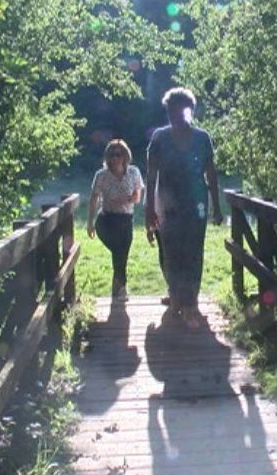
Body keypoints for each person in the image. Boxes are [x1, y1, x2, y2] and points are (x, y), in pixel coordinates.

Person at [145, 87, 223, 329]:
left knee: (193, 252)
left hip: (196, 205)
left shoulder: (202, 138)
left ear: (190, 111)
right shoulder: (159, 137)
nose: (175, 116)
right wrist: (149, 208)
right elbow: (151, 175)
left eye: (180, 111)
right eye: (171, 111)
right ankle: (176, 294)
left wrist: (217, 207)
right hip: (167, 205)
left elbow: (211, 174)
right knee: (170, 252)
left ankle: (191, 300)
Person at [87, 139, 144, 301]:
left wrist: (125, 200)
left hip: (126, 220)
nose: (115, 158)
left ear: (125, 156)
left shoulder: (134, 172)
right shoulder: (101, 175)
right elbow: (94, 198)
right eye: (111, 155)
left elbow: (137, 197)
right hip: (106, 220)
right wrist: (90, 223)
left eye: (118, 154)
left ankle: (118, 287)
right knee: (119, 252)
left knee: (121, 254)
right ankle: (122, 287)